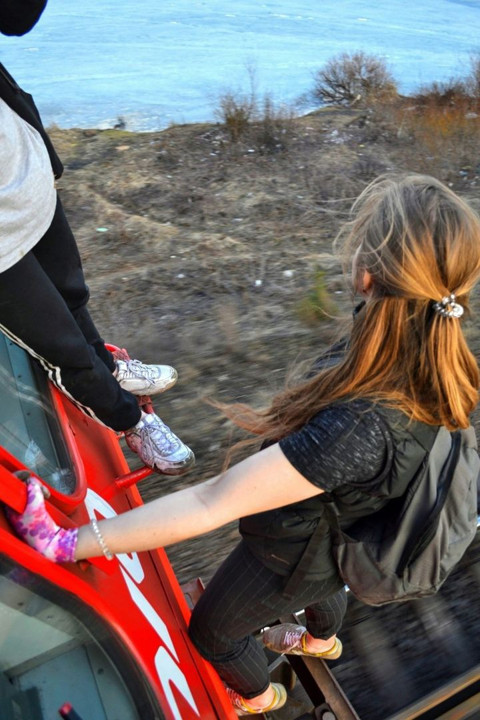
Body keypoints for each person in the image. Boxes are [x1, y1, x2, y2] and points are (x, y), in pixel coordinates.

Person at [6, 174, 480, 716]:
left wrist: (67, 542)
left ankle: (260, 695)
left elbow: (213, 501)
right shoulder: (427, 353)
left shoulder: (362, 423)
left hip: (297, 550)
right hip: (339, 530)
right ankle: (321, 640)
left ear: (368, 275)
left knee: (213, 632)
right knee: (324, 577)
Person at [0, 0, 194, 475]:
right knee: (63, 348)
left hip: (25, 177)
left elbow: (15, 16)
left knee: (73, 296)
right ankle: (131, 422)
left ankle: (113, 370)